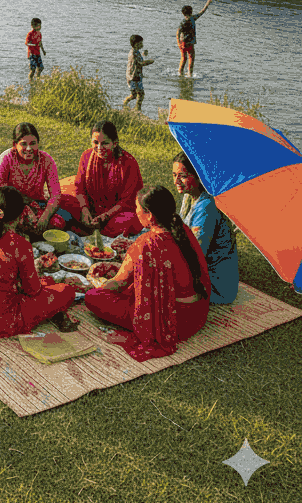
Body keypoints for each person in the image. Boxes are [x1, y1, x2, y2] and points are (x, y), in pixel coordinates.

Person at [84, 186, 211, 360]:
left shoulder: (145, 244)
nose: (135, 212)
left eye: (137, 208)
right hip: (196, 316)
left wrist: (95, 281)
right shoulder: (184, 230)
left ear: (149, 215)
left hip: (171, 322)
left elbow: (116, 284)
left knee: (93, 297)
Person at [0, 187, 79, 336]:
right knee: (66, 291)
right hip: (0, 321)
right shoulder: (19, 244)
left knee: (48, 282)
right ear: (21, 214)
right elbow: (33, 291)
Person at [58, 120, 143, 236]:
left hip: (115, 213)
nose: (99, 147)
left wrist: (106, 216)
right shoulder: (86, 156)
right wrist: (84, 209)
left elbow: (128, 200)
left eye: (105, 143)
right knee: (61, 199)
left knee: (131, 220)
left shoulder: (129, 163)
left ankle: (89, 230)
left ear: (115, 143)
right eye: (95, 142)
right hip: (90, 207)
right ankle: (90, 227)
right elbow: (79, 187)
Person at [174, 152, 239, 304]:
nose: (176, 181)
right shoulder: (190, 196)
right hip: (202, 270)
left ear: (198, 176)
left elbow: (195, 253)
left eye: (182, 176)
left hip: (216, 285)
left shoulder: (207, 207)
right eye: (174, 175)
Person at [0, 122, 67, 236]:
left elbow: (55, 195)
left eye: (33, 143)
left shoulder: (46, 160)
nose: (28, 148)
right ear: (14, 144)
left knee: (62, 221)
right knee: (9, 224)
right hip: (11, 206)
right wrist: (22, 206)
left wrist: (44, 218)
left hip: (37, 205)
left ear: (38, 143)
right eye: (23, 144)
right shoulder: (5, 159)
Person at [178, 0, 213, 78]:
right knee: (191, 58)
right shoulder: (193, 18)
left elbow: (178, 32)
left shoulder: (183, 22)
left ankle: (180, 72)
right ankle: (189, 73)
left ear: (183, 14)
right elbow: (202, 12)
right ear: (191, 12)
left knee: (183, 58)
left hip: (182, 42)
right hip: (189, 43)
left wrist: (178, 42)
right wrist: (207, 4)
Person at [122, 34, 155, 110]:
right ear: (137, 44)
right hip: (134, 77)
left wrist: (143, 54)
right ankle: (137, 109)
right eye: (141, 43)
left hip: (133, 76)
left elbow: (137, 60)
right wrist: (150, 61)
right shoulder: (134, 53)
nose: (142, 44)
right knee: (140, 94)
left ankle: (125, 104)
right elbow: (141, 63)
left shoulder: (134, 51)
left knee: (134, 95)